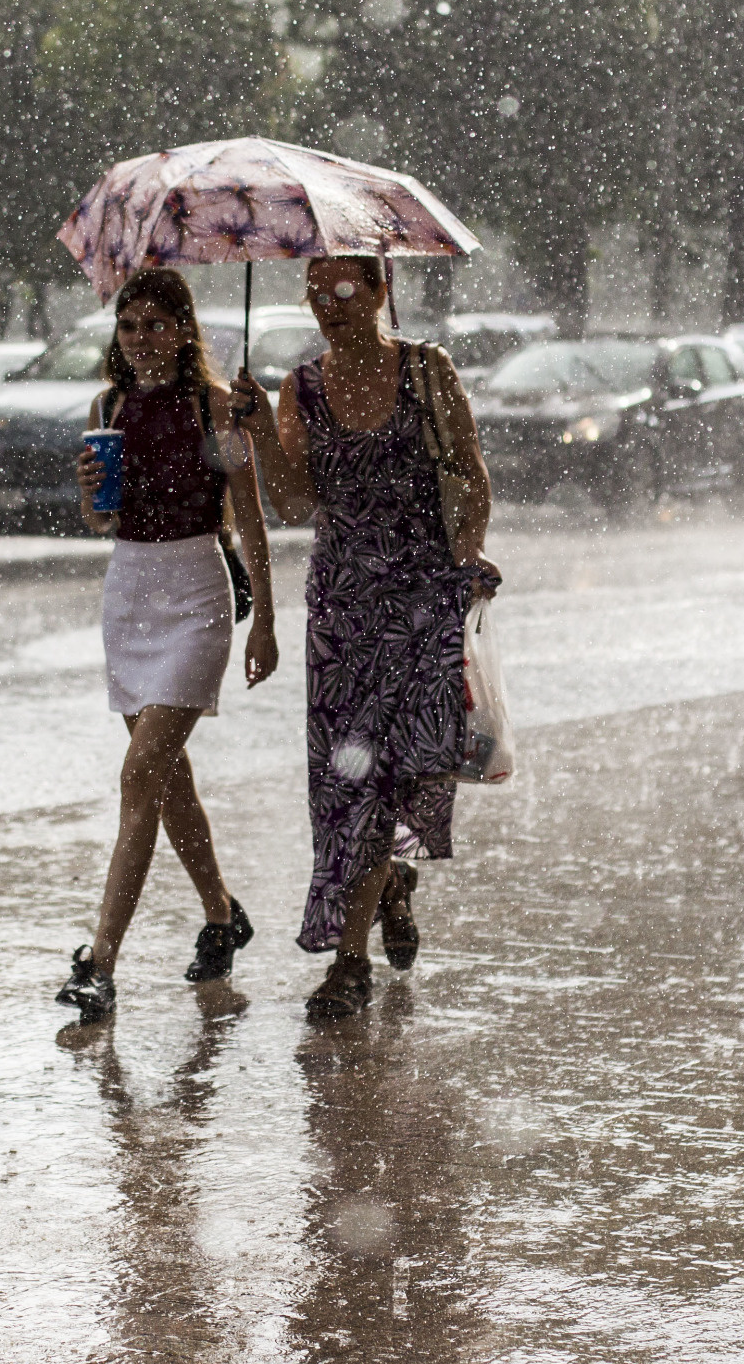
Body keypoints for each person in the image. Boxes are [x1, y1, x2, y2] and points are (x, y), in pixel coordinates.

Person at [239, 253, 498, 1021]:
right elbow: (292, 502)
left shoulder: (427, 370)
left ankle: (364, 930)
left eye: (346, 290)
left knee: (394, 775)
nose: (329, 305)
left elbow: (470, 471)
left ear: (383, 290)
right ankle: (361, 937)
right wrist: (257, 433)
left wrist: (467, 554)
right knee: (347, 784)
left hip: (421, 605)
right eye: (315, 294)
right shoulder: (302, 387)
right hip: (344, 613)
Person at [56, 270, 280, 1024]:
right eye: (129, 325)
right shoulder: (107, 409)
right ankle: (222, 914)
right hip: (129, 595)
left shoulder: (215, 407)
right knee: (167, 782)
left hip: (194, 595)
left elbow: (250, 520)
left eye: (156, 323)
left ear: (185, 331)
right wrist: (90, 492)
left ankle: (101, 961)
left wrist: (268, 621)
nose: (141, 337)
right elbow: (99, 522)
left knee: (140, 772)